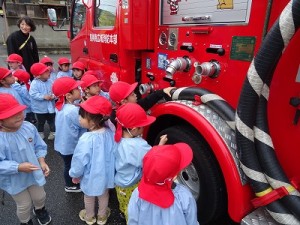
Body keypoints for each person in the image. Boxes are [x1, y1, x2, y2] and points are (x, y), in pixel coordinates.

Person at [0, 93, 51, 225]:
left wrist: (42, 161)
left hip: (34, 173)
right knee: (24, 204)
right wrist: (17, 167)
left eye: (19, 111)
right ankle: (25, 221)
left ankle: (40, 210)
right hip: (14, 179)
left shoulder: (28, 126)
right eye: (11, 114)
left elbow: (39, 146)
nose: (19, 115)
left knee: (40, 196)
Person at [114, 103, 167, 221]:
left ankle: (123, 212)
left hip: (119, 182)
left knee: (124, 202)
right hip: (133, 184)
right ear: (133, 129)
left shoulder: (117, 137)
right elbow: (151, 158)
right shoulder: (138, 145)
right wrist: (160, 145)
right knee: (134, 208)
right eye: (142, 126)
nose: (144, 128)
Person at [69, 96, 116, 225]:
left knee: (89, 196)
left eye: (82, 117)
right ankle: (102, 216)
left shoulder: (86, 138)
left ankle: (89, 217)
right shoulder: (111, 133)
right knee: (104, 195)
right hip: (106, 175)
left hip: (91, 176)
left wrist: (75, 174)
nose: (79, 119)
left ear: (93, 122)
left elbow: (79, 160)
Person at [127, 143, 199, 225]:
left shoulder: (137, 194)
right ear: (174, 176)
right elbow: (192, 221)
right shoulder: (184, 196)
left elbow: (133, 221)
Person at [52, 77, 87, 193]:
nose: (79, 89)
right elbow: (83, 124)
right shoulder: (72, 110)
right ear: (68, 96)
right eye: (76, 88)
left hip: (62, 144)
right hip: (71, 146)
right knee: (71, 166)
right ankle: (70, 185)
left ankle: (72, 182)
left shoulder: (60, 106)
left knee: (68, 164)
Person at [6, 16, 39, 80]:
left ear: (31, 27)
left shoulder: (31, 39)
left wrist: (36, 68)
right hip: (18, 69)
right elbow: (11, 55)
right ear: (19, 25)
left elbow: (35, 55)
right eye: (22, 24)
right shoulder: (13, 37)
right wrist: (16, 69)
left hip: (30, 68)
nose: (24, 27)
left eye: (27, 25)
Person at [29, 63, 55, 140]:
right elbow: (33, 94)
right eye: (46, 72)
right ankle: (40, 132)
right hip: (40, 108)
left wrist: (53, 96)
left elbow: (55, 90)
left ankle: (53, 132)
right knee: (41, 122)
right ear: (39, 75)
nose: (48, 73)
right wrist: (43, 96)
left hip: (50, 107)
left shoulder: (50, 81)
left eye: (48, 71)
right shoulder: (34, 83)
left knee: (51, 121)